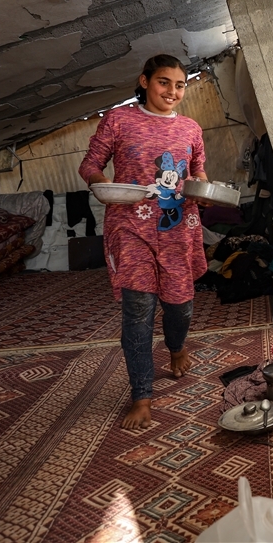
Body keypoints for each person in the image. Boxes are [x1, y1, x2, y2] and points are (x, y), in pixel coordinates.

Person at [79, 54, 208, 429]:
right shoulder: (118, 120)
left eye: (180, 85)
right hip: (130, 226)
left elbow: (198, 171)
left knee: (180, 308)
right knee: (138, 309)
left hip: (177, 228)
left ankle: (176, 346)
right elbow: (90, 164)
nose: (172, 91)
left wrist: (203, 189)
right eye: (164, 82)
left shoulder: (191, 128)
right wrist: (102, 185)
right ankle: (141, 395)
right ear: (145, 81)